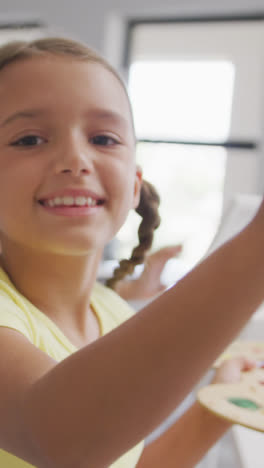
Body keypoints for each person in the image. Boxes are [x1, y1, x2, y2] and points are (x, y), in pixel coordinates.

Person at [0, 37, 263, 468]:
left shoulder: (114, 314)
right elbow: (62, 436)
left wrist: (218, 407)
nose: (75, 159)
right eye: (29, 140)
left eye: (103, 138)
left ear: (135, 184)